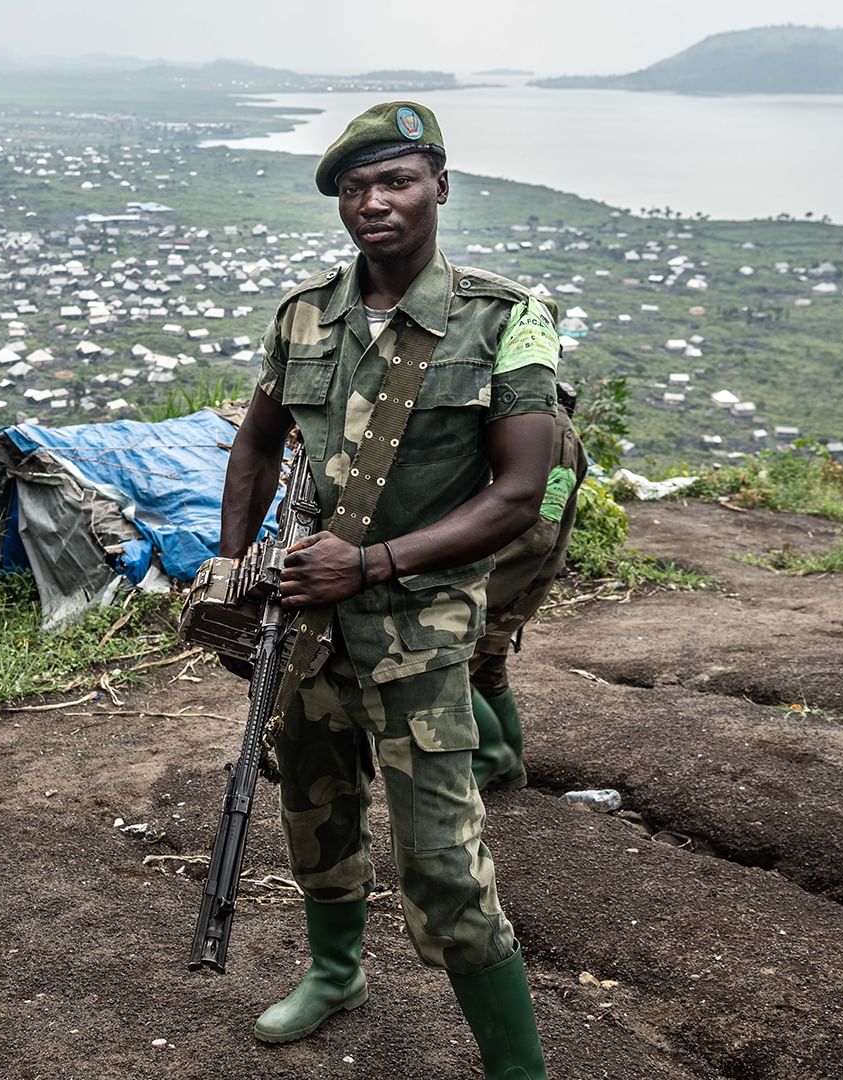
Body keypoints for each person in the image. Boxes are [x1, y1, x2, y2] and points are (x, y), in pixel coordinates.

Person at [217, 102, 555, 1078]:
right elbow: (255, 440)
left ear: (440, 186)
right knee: (314, 811)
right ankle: (336, 972)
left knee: (445, 862)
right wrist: (231, 565)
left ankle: (518, 1069)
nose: (375, 203)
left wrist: (367, 564)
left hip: (417, 630)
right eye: (356, 188)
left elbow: (521, 494)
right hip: (305, 630)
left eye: (397, 180)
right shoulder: (303, 316)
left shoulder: (504, 320)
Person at [470, 401, 585, 790]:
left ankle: (488, 755)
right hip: (506, 572)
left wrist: (478, 584)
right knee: (487, 669)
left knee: (443, 667)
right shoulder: (537, 420)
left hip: (506, 576)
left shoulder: (548, 429)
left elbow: (538, 529)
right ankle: (510, 767)